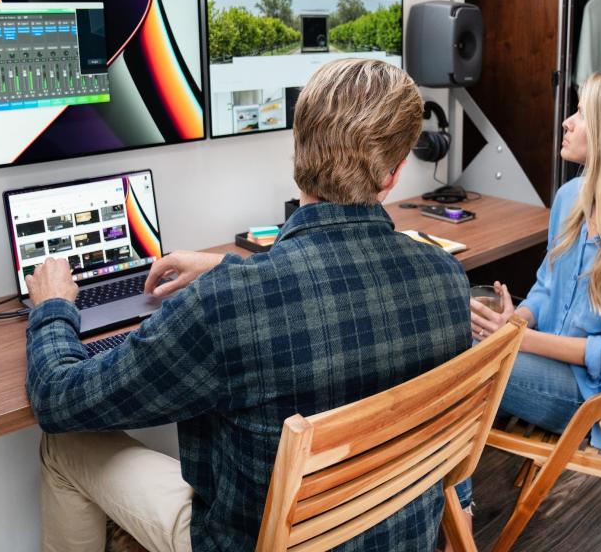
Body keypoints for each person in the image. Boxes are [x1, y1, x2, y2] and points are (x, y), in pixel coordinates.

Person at [24, 58, 471, 552]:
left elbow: (58, 400)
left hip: (248, 542)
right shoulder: (445, 279)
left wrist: (52, 309)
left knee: (62, 444)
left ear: (298, 148)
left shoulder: (226, 308)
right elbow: (333, 291)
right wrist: (227, 269)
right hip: (399, 535)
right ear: (394, 174)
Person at [452, 72, 601, 536]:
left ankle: (453, 513)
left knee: (459, 360)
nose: (567, 121)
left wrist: (517, 338)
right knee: (461, 334)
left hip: (588, 394)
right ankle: (448, 499)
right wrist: (515, 316)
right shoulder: (571, 198)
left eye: (582, 114)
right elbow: (544, 285)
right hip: (543, 356)